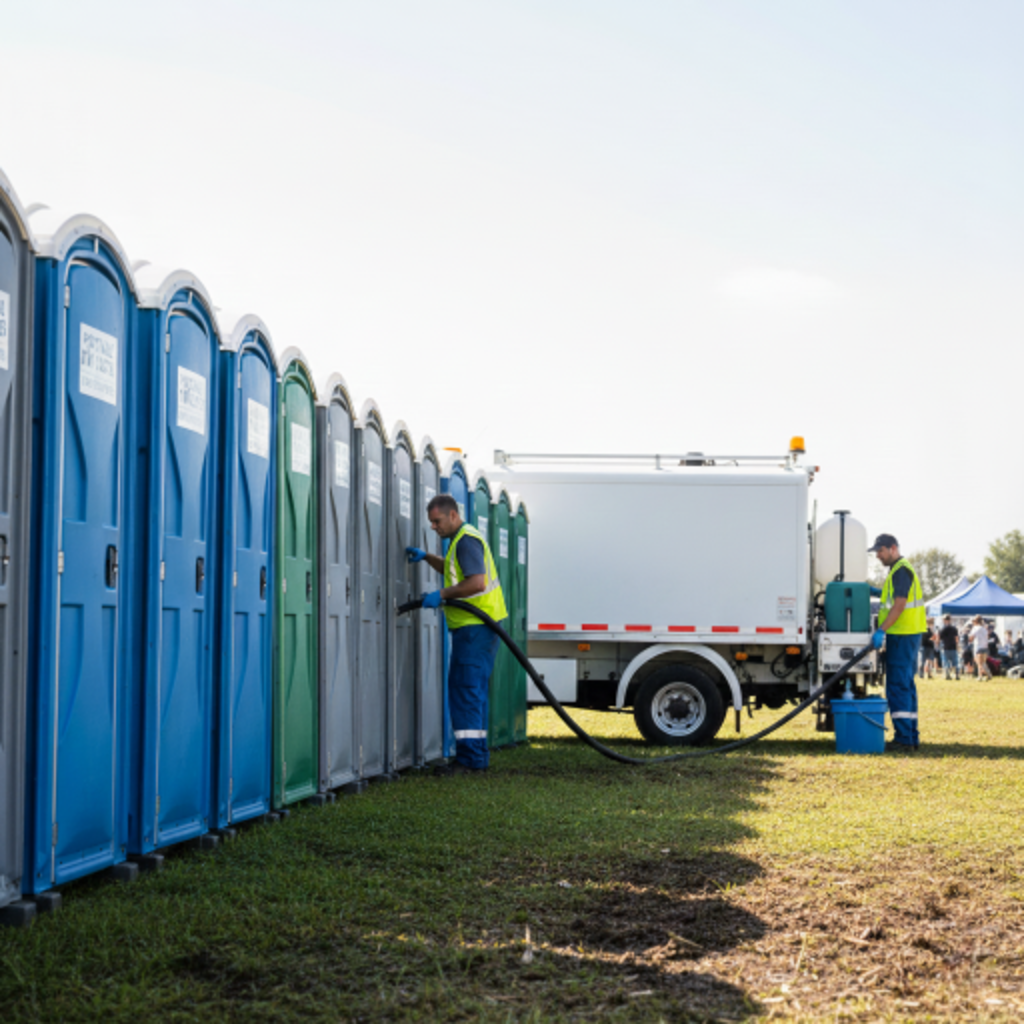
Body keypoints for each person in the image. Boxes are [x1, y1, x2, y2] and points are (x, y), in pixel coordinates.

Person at [406, 494, 508, 775]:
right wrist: (427, 557)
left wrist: (441, 594)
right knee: (472, 690)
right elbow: (456, 572)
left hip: (475, 629)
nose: (434, 527)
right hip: (478, 629)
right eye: (431, 523)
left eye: (437, 521)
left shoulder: (466, 540)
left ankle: (470, 760)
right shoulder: (461, 540)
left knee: (465, 690)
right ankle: (476, 756)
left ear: (453, 515)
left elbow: (476, 582)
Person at [868, 534, 926, 751]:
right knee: (906, 686)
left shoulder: (901, 570)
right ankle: (910, 736)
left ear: (892, 548)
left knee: (898, 687)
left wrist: (881, 630)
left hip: (902, 635)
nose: (878, 556)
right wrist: (876, 592)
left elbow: (900, 605)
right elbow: (893, 598)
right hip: (907, 635)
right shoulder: (899, 570)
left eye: (880, 551)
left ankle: (904, 739)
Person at [938, 614, 960, 680]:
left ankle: (947, 675)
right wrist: (957, 646)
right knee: (955, 662)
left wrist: (937, 644)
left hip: (945, 647)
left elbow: (939, 638)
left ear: (944, 620)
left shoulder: (942, 629)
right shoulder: (954, 628)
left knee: (946, 662)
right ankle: (957, 675)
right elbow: (956, 638)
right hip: (953, 647)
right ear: (950, 620)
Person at [970, 616, 992, 680]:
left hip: (978, 647)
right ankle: (988, 675)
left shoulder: (975, 628)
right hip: (985, 647)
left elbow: (971, 637)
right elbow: (987, 637)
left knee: (979, 663)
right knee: (984, 663)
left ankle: (980, 676)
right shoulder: (984, 629)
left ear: (976, 622)